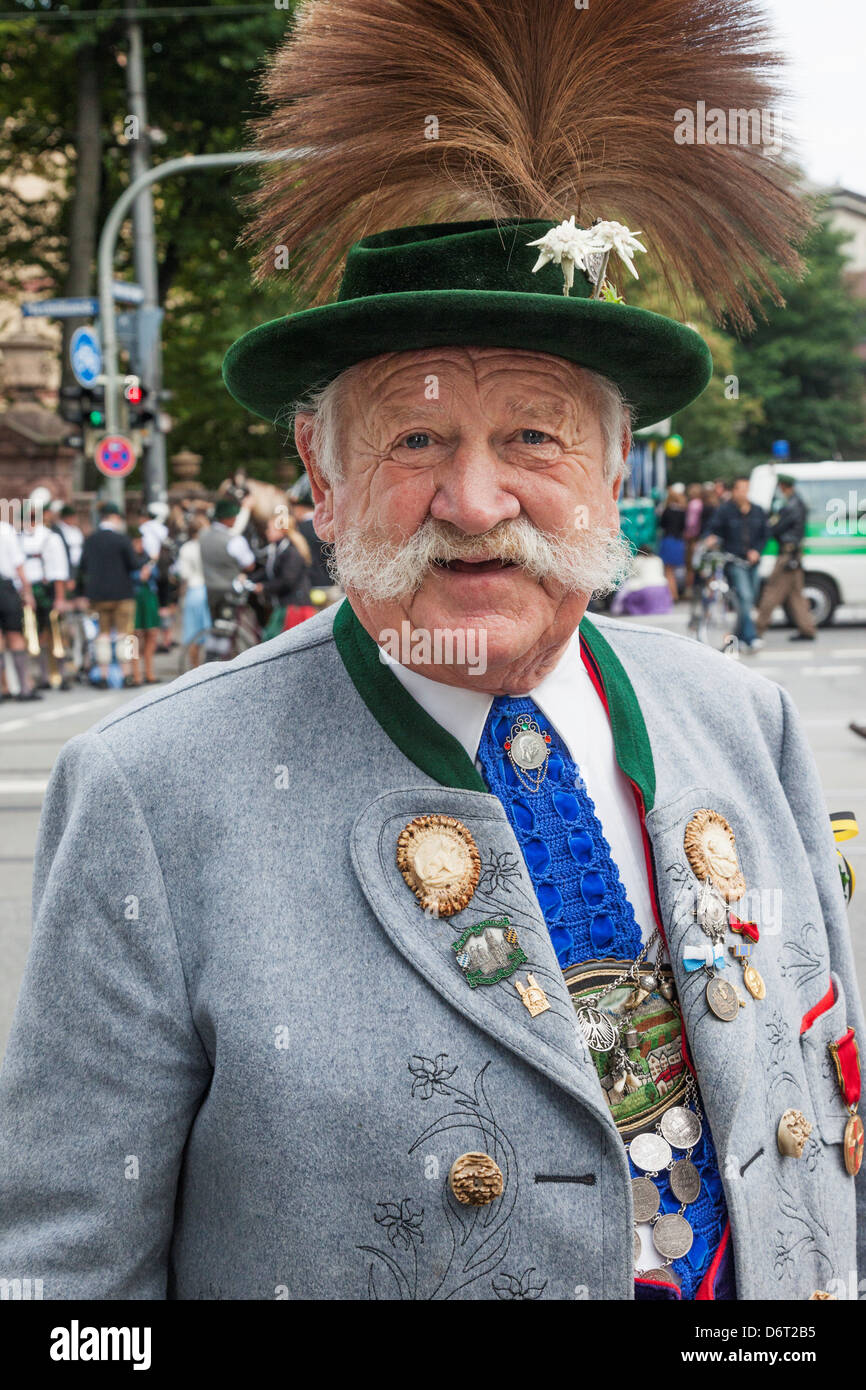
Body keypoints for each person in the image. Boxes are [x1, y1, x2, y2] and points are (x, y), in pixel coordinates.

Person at [0, 0, 858, 1305]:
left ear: (613, 467)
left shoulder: (739, 715)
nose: (473, 499)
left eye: (532, 438)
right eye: (415, 440)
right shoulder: (151, 790)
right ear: (321, 476)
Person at [704, 476, 769, 652]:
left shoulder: (757, 510)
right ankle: (751, 637)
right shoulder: (725, 511)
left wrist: (757, 550)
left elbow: (765, 534)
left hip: (753, 562)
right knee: (746, 597)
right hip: (734, 560)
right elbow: (712, 528)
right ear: (734, 491)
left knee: (747, 601)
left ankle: (740, 635)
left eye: (746, 489)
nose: (744, 493)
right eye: (740, 489)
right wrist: (709, 538)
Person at [78, 501, 140, 687]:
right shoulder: (122, 539)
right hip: (122, 593)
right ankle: (126, 675)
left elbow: (82, 567)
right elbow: (134, 565)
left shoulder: (90, 540)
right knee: (124, 634)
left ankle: (103, 677)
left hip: (97, 595)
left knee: (102, 635)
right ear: (114, 518)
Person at [754, 474, 817, 643]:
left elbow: (775, 528)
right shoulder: (798, 502)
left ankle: (757, 629)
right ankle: (807, 629)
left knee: (772, 592)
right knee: (796, 595)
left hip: (787, 556)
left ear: (782, 486)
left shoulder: (790, 506)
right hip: (794, 555)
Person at [18, 507, 71, 691]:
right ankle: (42, 676)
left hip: (48, 589)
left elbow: (59, 569)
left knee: (56, 634)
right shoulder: (20, 538)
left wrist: (60, 597)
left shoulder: (50, 538)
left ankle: (61, 675)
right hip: (29, 590)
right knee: (34, 635)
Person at [254, 510, 314, 638]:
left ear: (281, 531)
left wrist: (264, 587)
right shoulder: (277, 550)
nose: (267, 532)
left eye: (270, 529)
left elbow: (287, 580)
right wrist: (249, 579)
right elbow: (266, 571)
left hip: (295, 607)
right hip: (284, 605)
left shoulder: (291, 551)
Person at [198, 497, 256, 622]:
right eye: (234, 516)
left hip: (209, 589)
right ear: (227, 519)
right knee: (231, 628)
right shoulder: (234, 540)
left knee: (214, 625)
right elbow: (249, 565)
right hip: (230, 591)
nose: (235, 519)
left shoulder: (203, 535)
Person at [0, 518, 40, 701]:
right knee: (15, 635)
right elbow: (18, 564)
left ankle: (4, 688)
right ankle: (24, 688)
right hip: (5, 587)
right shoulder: (5, 530)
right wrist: (27, 592)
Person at [176, 515, 212, 666]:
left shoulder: (186, 548)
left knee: (193, 635)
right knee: (212, 633)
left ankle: (194, 669)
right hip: (209, 589)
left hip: (193, 591)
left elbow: (183, 573)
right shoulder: (209, 546)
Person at [130, 527, 161, 685]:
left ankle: (149, 672)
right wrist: (138, 575)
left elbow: (158, 575)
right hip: (134, 598)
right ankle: (135, 673)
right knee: (133, 637)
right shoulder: (128, 558)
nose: (139, 544)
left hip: (149, 597)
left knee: (152, 634)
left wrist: (149, 572)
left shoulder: (147, 557)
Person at [656, 483, 688, 601]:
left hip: (669, 540)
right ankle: (674, 593)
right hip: (679, 541)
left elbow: (662, 525)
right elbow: (684, 527)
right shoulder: (683, 511)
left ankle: (672, 595)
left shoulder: (667, 510)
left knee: (668, 570)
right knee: (673, 571)